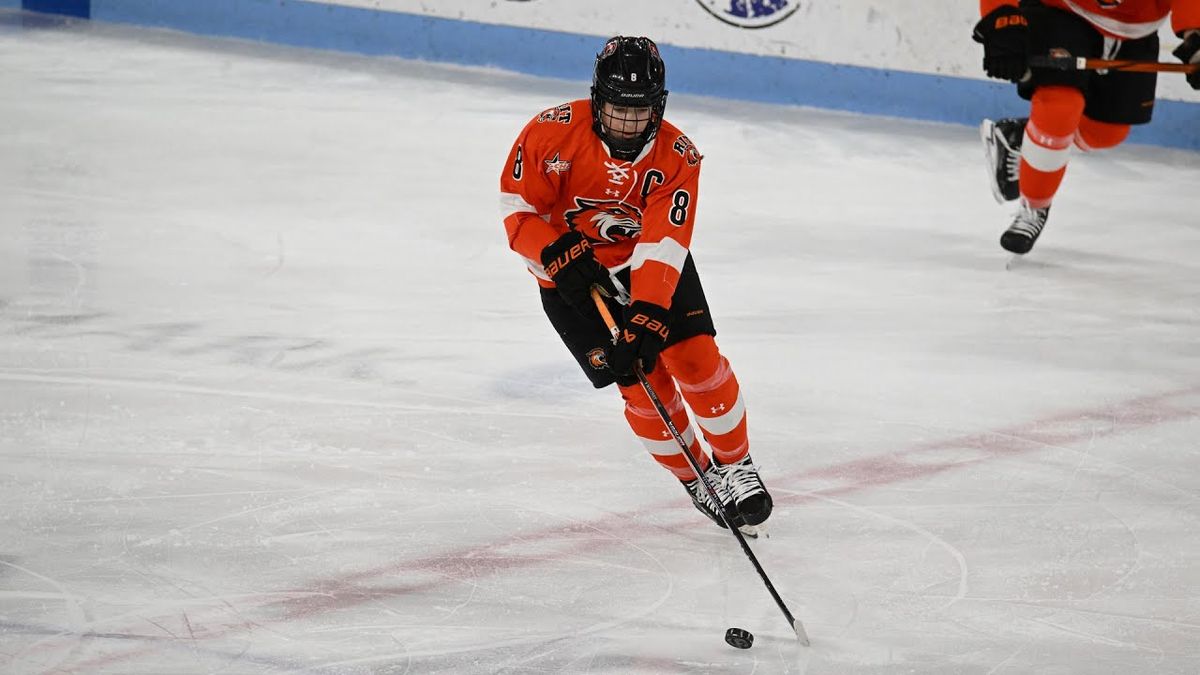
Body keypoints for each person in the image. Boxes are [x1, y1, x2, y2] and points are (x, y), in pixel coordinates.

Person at [498, 36, 772, 532]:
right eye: (616, 110)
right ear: (596, 98)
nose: (627, 124)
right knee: (641, 386)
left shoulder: (679, 156)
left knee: (694, 359)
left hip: (644, 267)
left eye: (639, 112)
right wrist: (556, 254)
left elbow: (664, 243)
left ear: (659, 106)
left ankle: (736, 465)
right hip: (573, 283)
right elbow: (517, 212)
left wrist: (647, 312)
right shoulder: (549, 133)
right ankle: (698, 479)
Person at [972, 0, 1200, 254]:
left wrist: (1197, 35)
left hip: (1137, 31)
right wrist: (1001, 16)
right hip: (1062, 11)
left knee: (1104, 133)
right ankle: (1033, 207)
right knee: (1060, 106)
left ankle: (1023, 138)